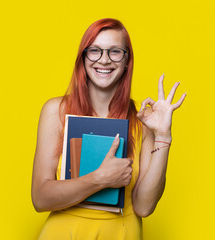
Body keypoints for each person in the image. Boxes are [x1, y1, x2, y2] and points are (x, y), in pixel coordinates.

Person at [31, 18, 186, 240]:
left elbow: (144, 207)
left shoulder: (144, 121)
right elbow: (40, 199)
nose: (104, 60)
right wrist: (99, 179)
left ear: (126, 62)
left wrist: (163, 135)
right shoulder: (55, 111)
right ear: (83, 58)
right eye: (94, 51)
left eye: (115, 52)